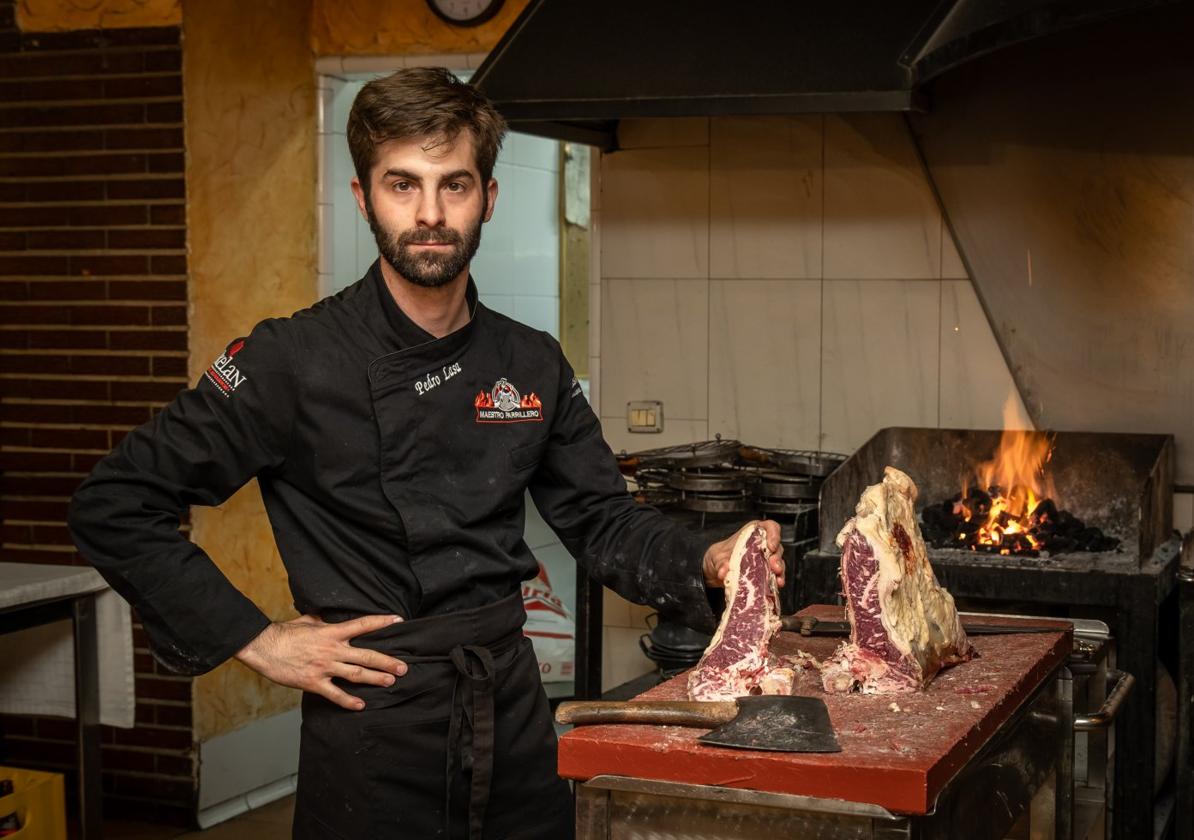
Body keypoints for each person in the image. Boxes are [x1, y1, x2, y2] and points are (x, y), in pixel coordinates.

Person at [68, 67, 785, 839]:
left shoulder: (530, 361)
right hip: (373, 722)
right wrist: (259, 639)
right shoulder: (291, 359)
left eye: (456, 185)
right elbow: (115, 504)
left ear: (489, 198)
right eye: (402, 186)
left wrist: (711, 556)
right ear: (362, 198)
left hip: (509, 709)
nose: (431, 215)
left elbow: (603, 522)